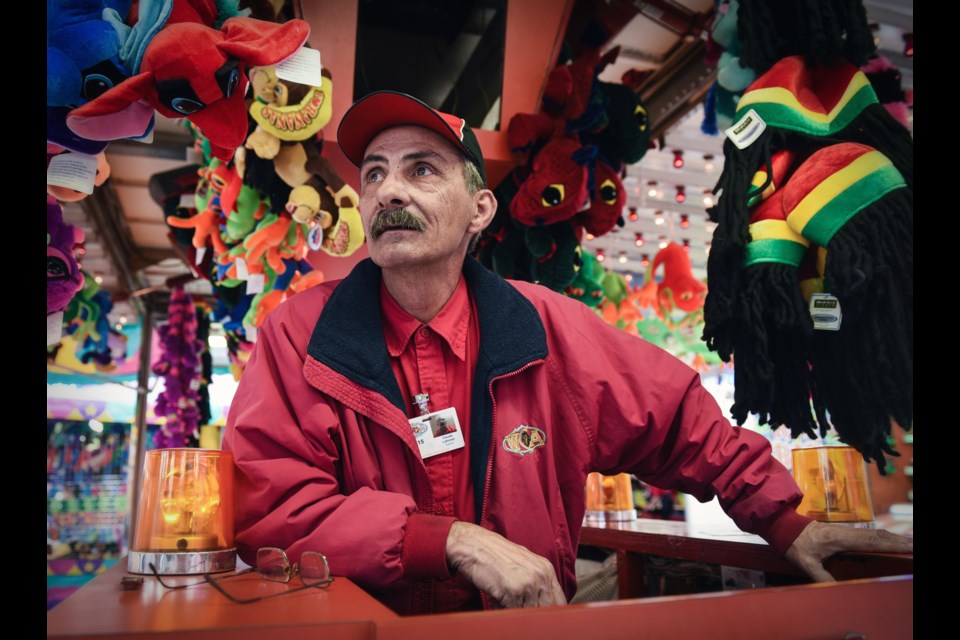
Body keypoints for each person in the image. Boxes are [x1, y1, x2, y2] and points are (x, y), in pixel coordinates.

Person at [221, 90, 913, 615]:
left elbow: (678, 421)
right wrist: (450, 539)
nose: (388, 190)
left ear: (481, 211)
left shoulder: (550, 330)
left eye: (422, 170)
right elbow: (267, 506)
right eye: (373, 174)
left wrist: (784, 518)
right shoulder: (299, 336)